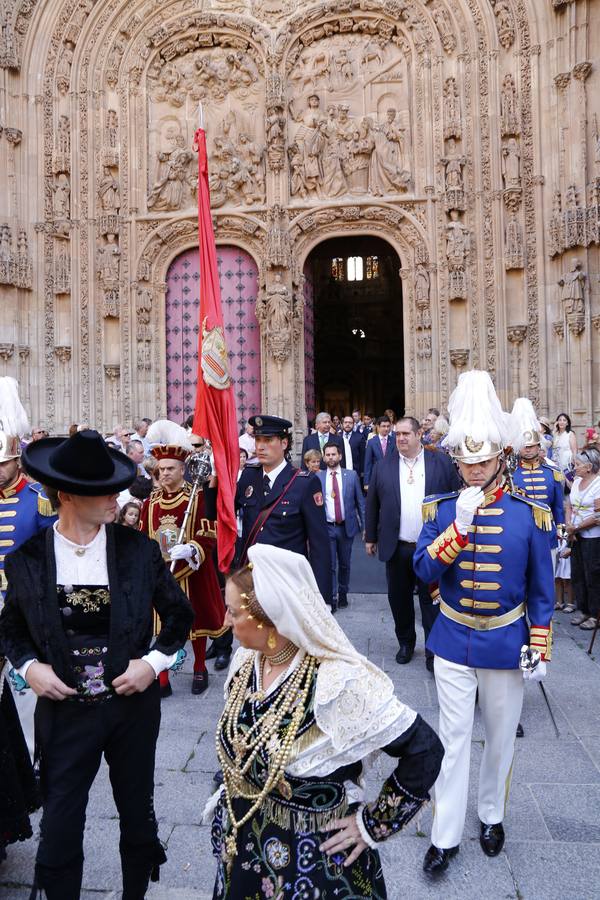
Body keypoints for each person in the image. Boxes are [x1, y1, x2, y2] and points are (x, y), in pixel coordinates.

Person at [0, 429, 193, 899]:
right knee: (62, 823)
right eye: (102, 490)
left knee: (136, 814)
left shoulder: (138, 550)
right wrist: (30, 669)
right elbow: (11, 629)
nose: (115, 497)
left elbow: (178, 617)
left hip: (131, 711)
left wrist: (151, 664)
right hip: (64, 713)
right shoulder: (27, 560)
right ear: (67, 495)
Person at [207, 544, 444, 898]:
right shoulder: (246, 664)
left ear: (269, 618)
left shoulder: (335, 683)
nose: (225, 622)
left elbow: (425, 749)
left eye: (233, 613)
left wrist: (372, 824)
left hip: (312, 864)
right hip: (243, 851)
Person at [413, 370, 554, 875]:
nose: (474, 472)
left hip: (506, 642)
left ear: (501, 459)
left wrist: (540, 643)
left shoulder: (530, 514)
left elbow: (541, 591)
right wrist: (459, 526)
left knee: (497, 738)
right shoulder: (442, 507)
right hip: (451, 638)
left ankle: (491, 815)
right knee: (452, 741)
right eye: (466, 463)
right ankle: (445, 834)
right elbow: (424, 570)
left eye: (484, 462)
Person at [365, 416, 460, 670]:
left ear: (419, 435)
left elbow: (454, 499)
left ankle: (433, 650)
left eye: (406, 433)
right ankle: (406, 642)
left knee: (432, 600)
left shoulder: (440, 462)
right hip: (398, 546)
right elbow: (372, 503)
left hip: (431, 548)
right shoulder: (383, 466)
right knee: (399, 599)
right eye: (397, 434)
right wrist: (370, 537)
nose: (401, 438)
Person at [141, 420, 227, 695]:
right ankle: (163, 677)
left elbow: (208, 534)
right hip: (161, 574)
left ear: (182, 470)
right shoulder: (150, 503)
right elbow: (143, 537)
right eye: (160, 470)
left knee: (196, 623)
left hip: (191, 572)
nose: (164, 474)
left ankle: (200, 667)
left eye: (169, 469)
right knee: (164, 625)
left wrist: (192, 549)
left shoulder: (196, 498)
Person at [235, 415, 332, 605]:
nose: (260, 446)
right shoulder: (248, 477)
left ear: (284, 443)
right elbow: (222, 514)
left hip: (288, 585)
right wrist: (213, 476)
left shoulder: (304, 482)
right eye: (257, 440)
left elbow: (319, 543)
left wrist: (323, 599)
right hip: (253, 583)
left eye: (268, 440)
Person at [510, 398, 565, 565]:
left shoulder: (552, 473)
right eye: (525, 446)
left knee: (546, 582)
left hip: (547, 533)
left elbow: (558, 505)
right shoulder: (510, 475)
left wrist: (561, 527)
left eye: (532, 446)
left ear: (538, 446)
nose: (528, 449)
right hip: (519, 535)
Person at [317, 441, 365, 610]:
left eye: (333, 454)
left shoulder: (351, 476)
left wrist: (365, 527)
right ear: (324, 457)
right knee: (329, 565)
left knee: (344, 564)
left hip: (346, 527)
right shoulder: (318, 477)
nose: (331, 457)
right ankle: (332, 597)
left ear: (340, 456)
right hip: (327, 527)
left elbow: (360, 502)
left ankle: (343, 592)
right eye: (327, 455)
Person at [565, 448, 600, 630]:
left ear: (588, 467)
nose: (574, 467)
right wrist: (569, 526)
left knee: (592, 574)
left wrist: (576, 527)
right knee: (577, 574)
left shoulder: (598, 484)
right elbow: (569, 505)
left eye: (578, 464)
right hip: (576, 536)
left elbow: (598, 517)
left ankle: (595, 614)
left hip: (593, 537)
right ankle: (584, 610)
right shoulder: (577, 481)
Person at [363, 414, 395, 488]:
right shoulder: (371, 442)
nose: (386, 429)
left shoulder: (394, 441)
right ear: (378, 427)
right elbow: (368, 463)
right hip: (376, 477)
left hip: (391, 478)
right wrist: (366, 482)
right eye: (383, 426)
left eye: (388, 426)